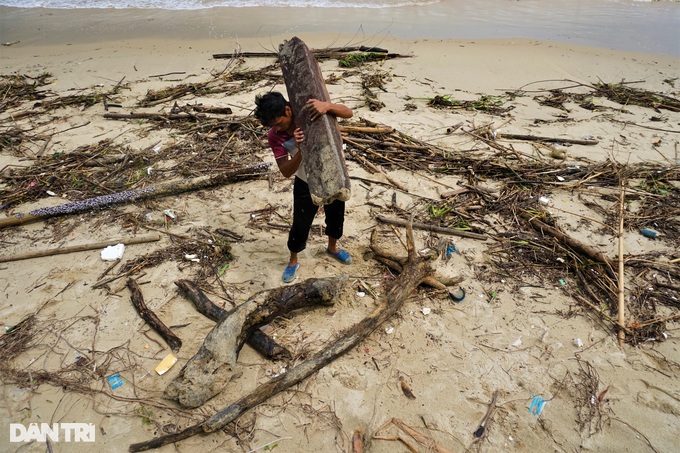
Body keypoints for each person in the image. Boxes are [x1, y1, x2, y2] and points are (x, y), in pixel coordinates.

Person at [254, 91, 354, 283]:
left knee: (336, 215)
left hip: (332, 173)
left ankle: (332, 248)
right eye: (272, 125)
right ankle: (293, 260)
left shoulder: (308, 111)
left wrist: (328, 106)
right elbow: (285, 170)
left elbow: (348, 113)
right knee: (300, 223)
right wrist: (300, 151)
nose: (277, 128)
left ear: (288, 109)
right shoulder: (275, 136)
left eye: (278, 122)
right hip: (305, 180)